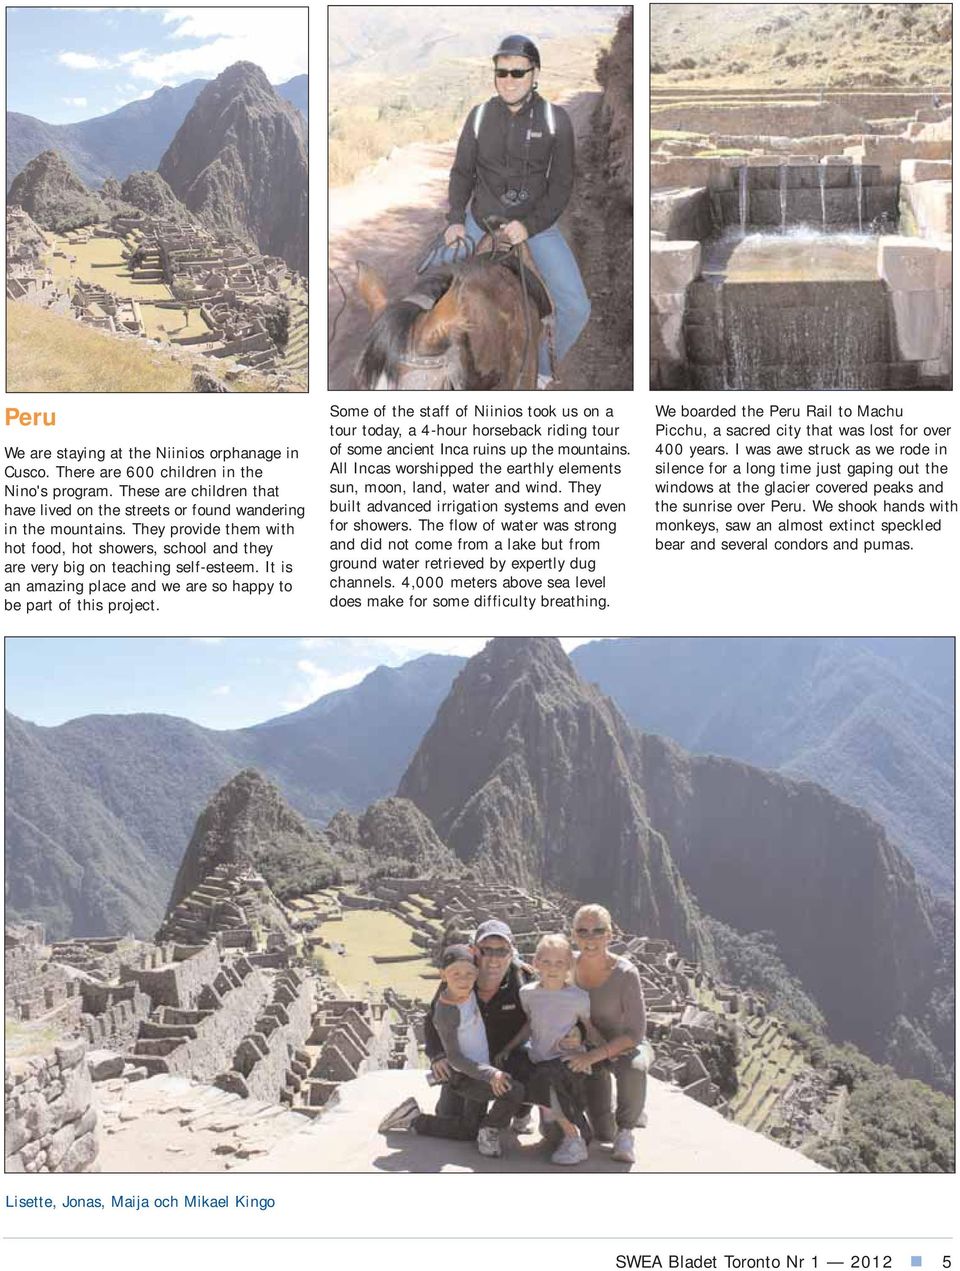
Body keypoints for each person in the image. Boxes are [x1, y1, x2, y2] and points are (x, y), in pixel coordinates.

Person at [440, 34, 591, 388]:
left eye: (517, 73)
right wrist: (455, 220)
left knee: (577, 308)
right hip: (480, 220)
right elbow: (462, 172)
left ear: (534, 73)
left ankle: (541, 367)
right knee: (426, 287)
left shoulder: (556, 121)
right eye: (502, 72)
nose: (508, 80)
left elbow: (561, 186)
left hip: (536, 225)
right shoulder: (478, 118)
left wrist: (530, 225)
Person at [378, 943, 525, 1158]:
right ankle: (486, 1129)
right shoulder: (447, 1010)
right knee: (514, 1091)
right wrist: (491, 1074)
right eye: (455, 973)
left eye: (469, 973)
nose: (463, 979)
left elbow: (492, 957)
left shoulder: (467, 991)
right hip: (466, 1074)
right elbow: (455, 1057)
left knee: (465, 1126)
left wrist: (518, 964)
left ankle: (417, 1118)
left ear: (476, 973)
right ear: (443, 976)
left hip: (478, 1070)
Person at [421, 918, 535, 1140]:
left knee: (527, 1067)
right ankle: (419, 1117)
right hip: (469, 1063)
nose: (494, 959)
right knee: (451, 1119)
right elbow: (431, 1020)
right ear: (475, 951)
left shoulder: (523, 980)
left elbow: (543, 1020)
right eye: (487, 950)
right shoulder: (459, 978)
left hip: (507, 1058)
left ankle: (522, 1110)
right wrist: (437, 1055)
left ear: (511, 953)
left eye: (502, 951)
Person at [499, 934, 605, 1166]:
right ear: (536, 963)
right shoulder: (528, 994)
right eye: (546, 962)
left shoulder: (578, 998)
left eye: (559, 963)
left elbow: (589, 1029)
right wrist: (509, 1048)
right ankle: (520, 1115)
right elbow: (531, 1025)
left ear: (569, 966)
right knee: (514, 1065)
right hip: (540, 1058)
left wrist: (590, 1051)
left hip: (568, 1062)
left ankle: (575, 1137)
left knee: (547, 1079)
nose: (552, 968)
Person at [569, 903, 651, 1165]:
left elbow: (636, 1033)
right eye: (583, 931)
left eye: (598, 931)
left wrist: (596, 1055)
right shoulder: (567, 965)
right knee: (603, 1133)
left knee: (635, 1068)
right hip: (589, 1048)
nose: (590, 938)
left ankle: (627, 1130)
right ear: (573, 935)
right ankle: (620, 1107)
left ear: (609, 935)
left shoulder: (625, 974)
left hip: (624, 1045)